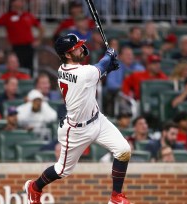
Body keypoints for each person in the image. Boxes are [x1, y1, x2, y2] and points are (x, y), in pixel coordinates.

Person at [24, 33, 132, 204]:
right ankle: (34, 187)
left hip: (97, 120)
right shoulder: (83, 72)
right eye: (76, 47)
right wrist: (109, 55)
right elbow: (98, 67)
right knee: (62, 170)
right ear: (67, 54)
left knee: (123, 149)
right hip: (76, 130)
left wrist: (108, 67)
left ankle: (116, 197)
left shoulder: (65, 70)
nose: (82, 48)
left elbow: (95, 74)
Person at [0, 0, 44, 72]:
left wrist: (39, 40)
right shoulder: (7, 16)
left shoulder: (28, 15)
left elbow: (41, 28)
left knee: (29, 68)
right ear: (12, 3)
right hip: (16, 48)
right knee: (17, 67)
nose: (21, 2)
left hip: (28, 47)